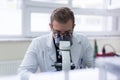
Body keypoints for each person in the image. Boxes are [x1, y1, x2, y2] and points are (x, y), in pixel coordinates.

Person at [18, 7, 94, 80]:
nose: (62, 37)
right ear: (51, 27)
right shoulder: (38, 43)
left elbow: (95, 66)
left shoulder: (83, 40)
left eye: (67, 33)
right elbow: (23, 72)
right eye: (57, 32)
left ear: (73, 27)